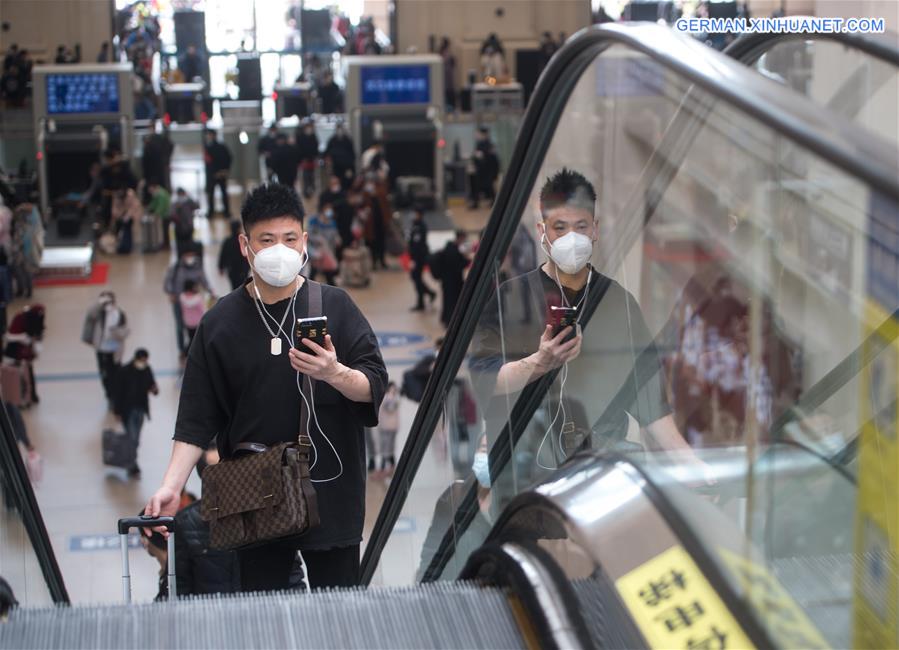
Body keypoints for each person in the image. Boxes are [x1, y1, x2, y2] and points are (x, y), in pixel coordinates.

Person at [144, 183, 388, 592]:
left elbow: (374, 385)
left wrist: (333, 372)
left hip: (330, 490)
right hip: (254, 498)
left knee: (341, 613)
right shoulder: (219, 323)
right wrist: (171, 486)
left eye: (290, 239)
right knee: (266, 615)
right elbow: (196, 418)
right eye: (267, 240)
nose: (280, 250)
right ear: (245, 245)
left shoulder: (335, 306)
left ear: (305, 241)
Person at [468, 169, 708, 509]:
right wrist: (538, 363)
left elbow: (650, 401)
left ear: (595, 230)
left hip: (601, 474)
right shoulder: (512, 299)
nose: (572, 238)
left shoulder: (618, 304)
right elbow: (484, 378)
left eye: (581, 227)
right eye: (560, 228)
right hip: (525, 471)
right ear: (542, 232)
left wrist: (690, 463)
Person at [113, 348, 159, 476]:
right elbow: (118, 393)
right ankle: (132, 465)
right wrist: (117, 411)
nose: (143, 363)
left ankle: (131, 461)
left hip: (140, 409)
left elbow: (152, 386)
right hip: (127, 411)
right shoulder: (124, 371)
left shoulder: (146, 370)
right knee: (132, 438)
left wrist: (154, 389)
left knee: (136, 439)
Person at [164, 244, 213, 360]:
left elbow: (204, 280)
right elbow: (168, 282)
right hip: (179, 301)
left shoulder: (198, 266)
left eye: (192, 255)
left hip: (194, 303)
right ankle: (182, 350)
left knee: (196, 326)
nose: (190, 257)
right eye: (188, 255)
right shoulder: (176, 267)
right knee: (180, 326)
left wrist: (210, 291)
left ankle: (195, 350)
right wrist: (171, 293)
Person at [81, 291, 129, 406]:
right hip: (101, 349)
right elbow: (90, 315)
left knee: (115, 373)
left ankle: (116, 395)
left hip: (115, 350)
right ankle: (109, 394)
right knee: (104, 373)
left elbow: (125, 331)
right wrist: (99, 304)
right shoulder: (98, 313)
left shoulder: (119, 314)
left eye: (109, 301)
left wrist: (115, 332)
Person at [431, 230, 470, 328]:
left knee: (447, 300)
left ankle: (445, 318)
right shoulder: (453, 251)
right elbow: (458, 265)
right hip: (452, 282)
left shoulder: (449, 247)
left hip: (447, 280)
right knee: (451, 302)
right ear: (460, 238)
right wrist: (466, 259)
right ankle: (449, 321)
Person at [408, 207, 436, 311]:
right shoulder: (415, 225)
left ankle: (422, 302)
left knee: (416, 278)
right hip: (416, 257)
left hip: (419, 258)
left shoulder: (420, 227)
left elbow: (417, 245)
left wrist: (414, 259)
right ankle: (429, 294)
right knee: (416, 278)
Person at [306, 204, 340, 286]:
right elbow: (309, 234)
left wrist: (337, 239)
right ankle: (309, 287)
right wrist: (318, 239)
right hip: (315, 250)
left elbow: (334, 234)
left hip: (327, 250)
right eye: (327, 210)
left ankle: (331, 287)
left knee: (328, 271)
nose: (329, 213)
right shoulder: (314, 221)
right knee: (314, 270)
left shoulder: (332, 222)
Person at [203, 129, 232, 219]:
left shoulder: (219, 147)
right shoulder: (208, 147)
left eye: (209, 135)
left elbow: (227, 158)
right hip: (215, 174)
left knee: (221, 193)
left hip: (218, 174)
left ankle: (224, 212)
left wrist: (222, 170)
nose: (208, 136)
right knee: (213, 194)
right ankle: (214, 212)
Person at [469, 127, 500, 209]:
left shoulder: (487, 145)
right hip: (482, 170)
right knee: (483, 187)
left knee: (487, 187)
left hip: (486, 171)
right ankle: (478, 202)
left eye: (478, 134)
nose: (477, 135)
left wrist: (479, 156)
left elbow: (491, 159)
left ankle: (489, 202)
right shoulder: (481, 144)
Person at [218, 219, 250, 290]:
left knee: (234, 287)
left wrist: (221, 267)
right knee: (244, 287)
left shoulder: (227, 241)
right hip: (243, 268)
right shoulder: (243, 240)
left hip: (232, 269)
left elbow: (223, 255)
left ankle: (235, 299)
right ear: (239, 228)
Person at [325, 124, 355, 189]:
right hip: (335, 167)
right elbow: (327, 153)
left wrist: (350, 167)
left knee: (346, 183)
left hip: (346, 166)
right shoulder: (332, 140)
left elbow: (352, 154)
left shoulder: (347, 140)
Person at [377, 381, 400, 472]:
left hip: (393, 427)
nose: (394, 390)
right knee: (385, 447)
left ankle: (392, 466)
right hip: (385, 427)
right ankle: (383, 467)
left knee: (391, 447)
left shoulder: (395, 398)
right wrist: (391, 396)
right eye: (392, 388)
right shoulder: (386, 398)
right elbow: (389, 408)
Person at [295, 120, 320, 199]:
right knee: (305, 177)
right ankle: (306, 192)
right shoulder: (300, 137)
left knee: (312, 176)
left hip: (312, 160)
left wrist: (315, 157)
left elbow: (316, 147)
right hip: (304, 161)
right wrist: (301, 158)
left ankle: (312, 190)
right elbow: (298, 149)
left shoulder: (313, 136)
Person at [178, 279, 206, 348]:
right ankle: (187, 352)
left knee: (191, 338)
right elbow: (203, 310)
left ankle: (184, 353)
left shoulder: (182, 297)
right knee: (196, 340)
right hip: (197, 323)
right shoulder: (198, 299)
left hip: (188, 322)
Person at [171, 187, 199, 254]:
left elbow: (197, 206)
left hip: (184, 227)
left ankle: (185, 256)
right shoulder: (177, 203)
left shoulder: (188, 201)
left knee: (186, 244)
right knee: (186, 244)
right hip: (184, 227)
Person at [439, 37, 456, 112]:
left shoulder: (447, 52)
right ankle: (448, 105)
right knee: (447, 90)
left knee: (449, 90)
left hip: (448, 74)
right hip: (445, 74)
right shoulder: (443, 52)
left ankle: (451, 105)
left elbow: (453, 62)